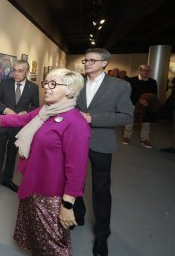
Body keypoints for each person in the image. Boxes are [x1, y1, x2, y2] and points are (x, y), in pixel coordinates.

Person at [0, 68, 90, 255]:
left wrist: (67, 206)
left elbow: (77, 170)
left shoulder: (75, 123)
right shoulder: (45, 111)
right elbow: (19, 119)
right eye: (46, 83)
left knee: (52, 244)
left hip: (51, 192)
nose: (46, 88)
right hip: (33, 182)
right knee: (37, 237)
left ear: (70, 90)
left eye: (53, 84)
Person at [76, 48, 133, 256]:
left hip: (101, 142)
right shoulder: (77, 82)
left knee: (101, 189)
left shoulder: (120, 86)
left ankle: (102, 234)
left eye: (92, 60)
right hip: (75, 142)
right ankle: (77, 214)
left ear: (104, 63)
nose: (87, 63)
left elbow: (126, 116)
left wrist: (93, 118)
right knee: (74, 181)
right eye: (86, 60)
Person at [0, 60, 39, 198]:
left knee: (12, 154)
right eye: (14, 70)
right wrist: (7, 110)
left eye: (20, 71)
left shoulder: (33, 87)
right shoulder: (5, 83)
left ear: (27, 71)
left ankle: (6, 180)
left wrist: (26, 113)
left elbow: (35, 106)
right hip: (1, 125)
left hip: (18, 127)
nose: (16, 73)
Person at [122, 64, 158, 148]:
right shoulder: (132, 80)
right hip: (134, 103)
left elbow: (154, 94)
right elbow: (129, 92)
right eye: (145, 70)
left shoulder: (153, 82)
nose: (146, 72)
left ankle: (145, 139)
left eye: (148, 71)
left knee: (146, 123)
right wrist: (140, 100)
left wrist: (147, 101)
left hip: (147, 105)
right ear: (140, 70)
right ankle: (126, 137)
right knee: (130, 121)